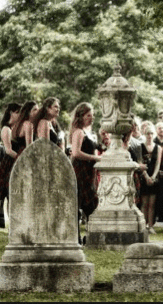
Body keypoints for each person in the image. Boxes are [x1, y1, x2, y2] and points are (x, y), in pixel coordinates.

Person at [69, 102, 102, 244]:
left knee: (90, 204)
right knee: (81, 203)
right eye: (89, 115)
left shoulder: (87, 132)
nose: (91, 118)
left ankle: (89, 237)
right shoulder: (78, 132)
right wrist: (95, 158)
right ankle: (76, 237)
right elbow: (76, 153)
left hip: (88, 172)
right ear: (81, 116)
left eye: (92, 115)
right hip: (80, 171)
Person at [0, 102, 22, 205]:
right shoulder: (6, 129)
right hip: (9, 163)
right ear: (11, 113)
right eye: (17, 112)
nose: (20, 115)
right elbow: (8, 150)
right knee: (10, 195)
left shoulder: (14, 129)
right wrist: (21, 158)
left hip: (14, 162)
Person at [139, 124, 162, 234]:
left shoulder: (158, 148)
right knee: (144, 203)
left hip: (154, 176)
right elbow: (140, 163)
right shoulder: (140, 146)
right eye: (148, 133)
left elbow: (158, 163)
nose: (150, 135)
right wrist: (146, 176)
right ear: (145, 134)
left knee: (152, 203)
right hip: (144, 176)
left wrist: (153, 177)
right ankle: (143, 225)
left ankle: (151, 225)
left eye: (152, 133)